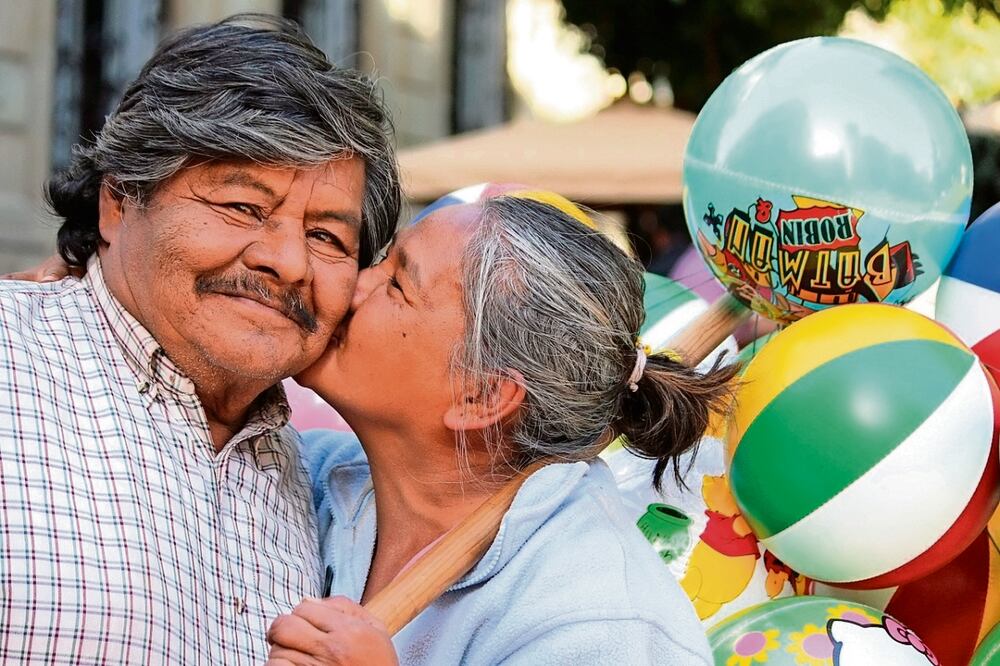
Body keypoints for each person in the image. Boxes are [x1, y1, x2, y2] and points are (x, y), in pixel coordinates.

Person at [0, 15, 399, 663]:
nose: (290, 262)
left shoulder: (332, 493)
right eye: (243, 207)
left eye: (327, 236)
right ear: (119, 201)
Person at [265, 194, 738, 664]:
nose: (351, 284)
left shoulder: (602, 624)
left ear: (481, 397)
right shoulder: (294, 471)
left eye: (397, 284)